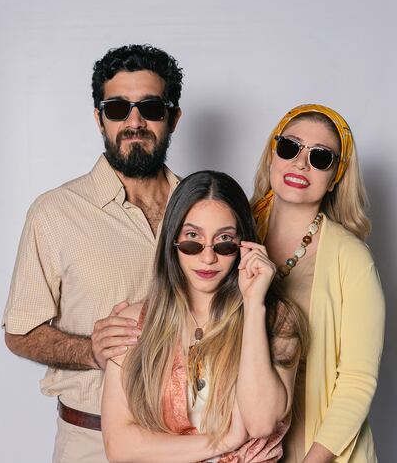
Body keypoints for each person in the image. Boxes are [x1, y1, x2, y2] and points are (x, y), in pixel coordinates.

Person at [3, 44, 183, 462]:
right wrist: (91, 350)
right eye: (117, 108)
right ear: (100, 118)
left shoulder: (203, 208)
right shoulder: (54, 213)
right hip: (92, 443)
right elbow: (20, 332)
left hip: (192, 438)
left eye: (150, 108)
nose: (134, 122)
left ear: (173, 117)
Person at [102, 170, 308, 463]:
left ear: (244, 245)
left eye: (224, 240)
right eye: (192, 239)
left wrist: (253, 305)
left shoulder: (275, 318)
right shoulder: (136, 322)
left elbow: (261, 422)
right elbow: (119, 446)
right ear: (173, 241)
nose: (208, 257)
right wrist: (224, 441)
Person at [251, 104, 385, 462]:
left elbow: (357, 381)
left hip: (319, 452)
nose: (301, 164)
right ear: (272, 154)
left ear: (336, 176)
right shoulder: (232, 234)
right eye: (290, 147)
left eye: (320, 157)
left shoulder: (352, 259)